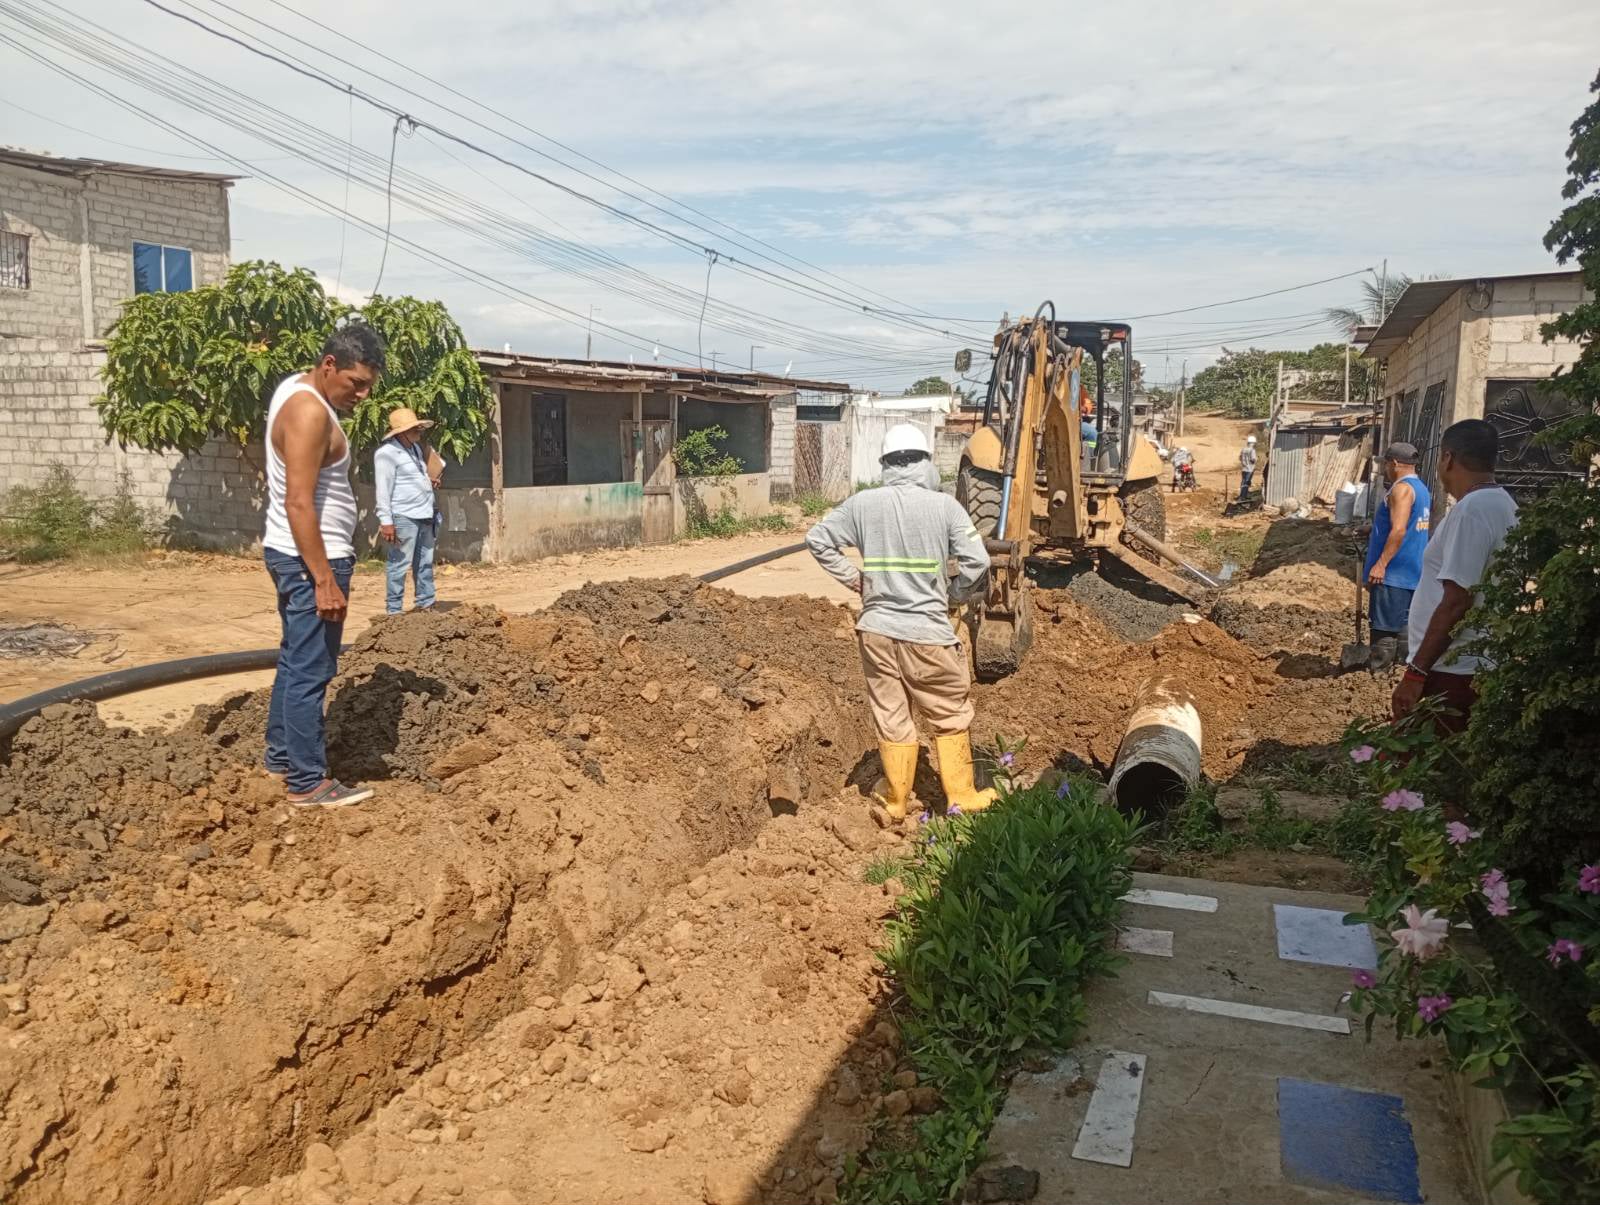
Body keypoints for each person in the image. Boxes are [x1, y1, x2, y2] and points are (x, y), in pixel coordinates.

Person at [806, 423, 994, 820]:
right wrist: (955, 594)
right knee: (948, 713)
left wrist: (856, 580)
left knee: (891, 714)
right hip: (927, 633)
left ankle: (894, 802)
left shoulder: (862, 504)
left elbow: (817, 539)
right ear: (925, 462)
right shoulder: (945, 507)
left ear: (886, 464)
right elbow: (978, 561)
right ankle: (962, 797)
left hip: (876, 631)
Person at [262, 325, 387, 808]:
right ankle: (307, 782)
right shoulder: (310, 412)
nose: (362, 394)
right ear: (329, 364)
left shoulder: (297, 388)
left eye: (369, 385)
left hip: (293, 554)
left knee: (296, 660)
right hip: (311, 560)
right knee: (311, 671)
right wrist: (323, 579)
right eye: (356, 383)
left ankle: (281, 759)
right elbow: (298, 502)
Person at [1391, 419, 1518, 733]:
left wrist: (1416, 673)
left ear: (1448, 458)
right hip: (1473, 664)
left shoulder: (1472, 511)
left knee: (1418, 759)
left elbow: (1457, 600)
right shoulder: (1505, 504)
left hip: (1451, 672)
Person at [1363, 441, 1431, 671]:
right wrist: (1373, 528)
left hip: (1393, 574)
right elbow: (1410, 525)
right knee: (1404, 627)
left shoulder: (1401, 489)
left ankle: (1378, 674)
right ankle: (1401, 673)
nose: (1385, 469)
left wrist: (1381, 564)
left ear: (1394, 463)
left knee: (1383, 628)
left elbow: (1399, 529)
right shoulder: (1421, 489)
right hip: (1413, 572)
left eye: (1385, 465)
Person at [375, 407, 443, 615]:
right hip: (404, 516)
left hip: (425, 513)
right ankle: (394, 610)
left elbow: (415, 477)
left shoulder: (415, 450)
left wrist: (429, 481)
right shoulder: (386, 454)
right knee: (399, 564)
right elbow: (383, 490)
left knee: (425, 562)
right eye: (414, 429)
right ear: (401, 432)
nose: (418, 432)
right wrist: (386, 521)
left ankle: (426, 603)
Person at [1238, 435, 1258, 500]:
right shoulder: (1252, 450)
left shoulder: (1243, 449)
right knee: (1247, 482)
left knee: (1243, 482)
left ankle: (1241, 495)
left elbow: (1240, 458)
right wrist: (1256, 460)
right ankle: (1243, 497)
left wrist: (1244, 463)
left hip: (1244, 469)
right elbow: (1253, 459)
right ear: (1253, 443)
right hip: (1250, 469)